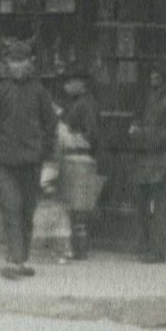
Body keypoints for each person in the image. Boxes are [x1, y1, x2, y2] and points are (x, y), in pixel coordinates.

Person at [0, 39, 57, 279]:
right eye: (12, 62)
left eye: (21, 61)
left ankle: (20, 259)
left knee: (26, 214)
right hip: (5, 164)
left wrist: (46, 156)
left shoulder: (40, 93)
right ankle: (16, 260)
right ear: (7, 64)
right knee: (11, 211)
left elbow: (51, 125)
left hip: (31, 164)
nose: (16, 66)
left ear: (30, 64)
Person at [129, 58, 166, 264]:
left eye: (158, 73)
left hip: (164, 160)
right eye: (152, 73)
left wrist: (141, 133)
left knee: (161, 206)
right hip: (151, 160)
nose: (153, 76)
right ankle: (149, 246)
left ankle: (159, 250)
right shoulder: (152, 98)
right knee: (147, 203)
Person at [57, 63, 101, 261]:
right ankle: (76, 247)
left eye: (70, 81)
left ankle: (79, 248)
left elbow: (91, 135)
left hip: (80, 156)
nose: (66, 85)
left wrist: (69, 134)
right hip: (76, 156)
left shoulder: (85, 103)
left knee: (78, 205)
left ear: (81, 84)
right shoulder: (78, 102)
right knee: (76, 205)